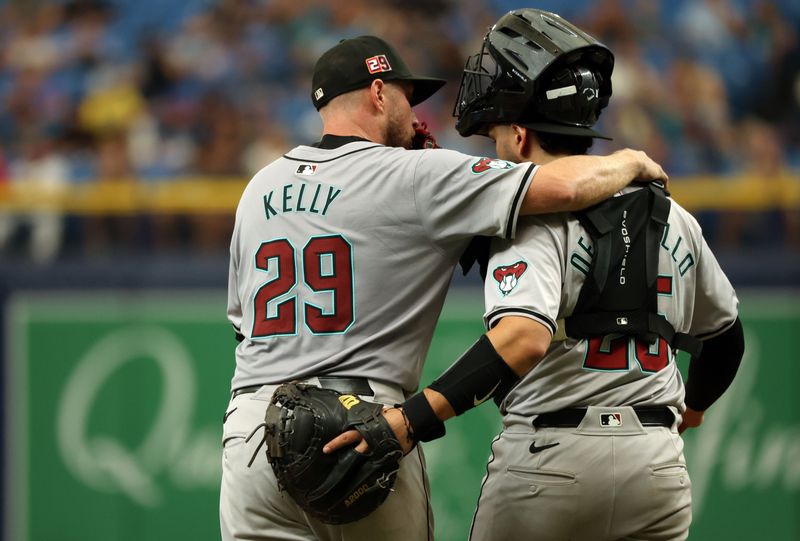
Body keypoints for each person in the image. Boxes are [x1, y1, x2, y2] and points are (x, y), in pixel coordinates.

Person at [222, 33, 668, 541]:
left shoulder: (259, 186)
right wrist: (629, 162)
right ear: (377, 93)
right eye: (407, 96)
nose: (415, 113)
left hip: (253, 429)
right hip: (359, 425)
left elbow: (243, 327)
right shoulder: (415, 173)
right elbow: (560, 185)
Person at [325, 10, 745, 541]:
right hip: (657, 464)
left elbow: (521, 341)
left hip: (553, 458)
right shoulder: (673, 216)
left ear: (520, 136)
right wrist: (695, 408)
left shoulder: (531, 218)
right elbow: (727, 341)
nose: (496, 146)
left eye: (499, 134)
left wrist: (411, 420)